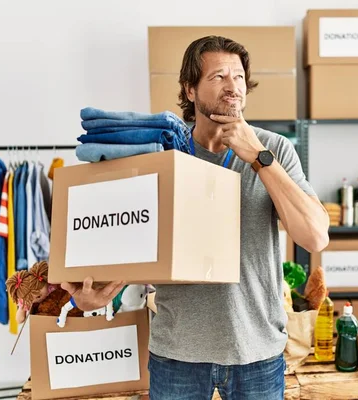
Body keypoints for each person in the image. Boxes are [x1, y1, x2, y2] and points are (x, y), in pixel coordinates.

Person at [61, 35, 329, 400]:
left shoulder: (275, 149)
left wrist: (258, 157)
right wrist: (97, 297)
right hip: (177, 356)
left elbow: (315, 237)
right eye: (219, 76)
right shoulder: (162, 153)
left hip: (257, 355)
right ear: (190, 89)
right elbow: (128, 237)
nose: (232, 86)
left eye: (238, 76)